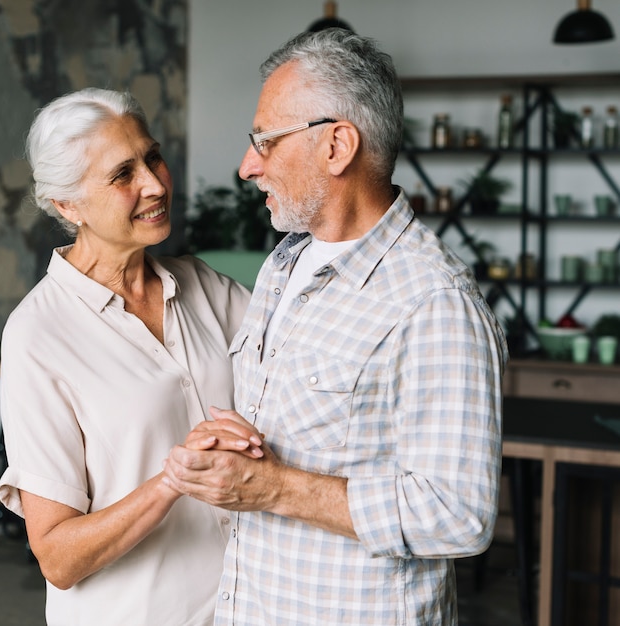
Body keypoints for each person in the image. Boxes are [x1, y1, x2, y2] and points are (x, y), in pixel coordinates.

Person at [163, 29, 508, 625]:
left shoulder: (433, 301)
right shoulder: (286, 261)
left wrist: (272, 487)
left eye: (265, 142)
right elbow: (291, 433)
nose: (248, 166)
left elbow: (459, 513)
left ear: (337, 146)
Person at [0, 88, 259, 626]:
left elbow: (299, 369)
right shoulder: (38, 334)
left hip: (246, 611)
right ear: (68, 205)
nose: (156, 184)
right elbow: (59, 557)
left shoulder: (204, 285)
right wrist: (172, 480)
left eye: (153, 157)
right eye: (122, 174)